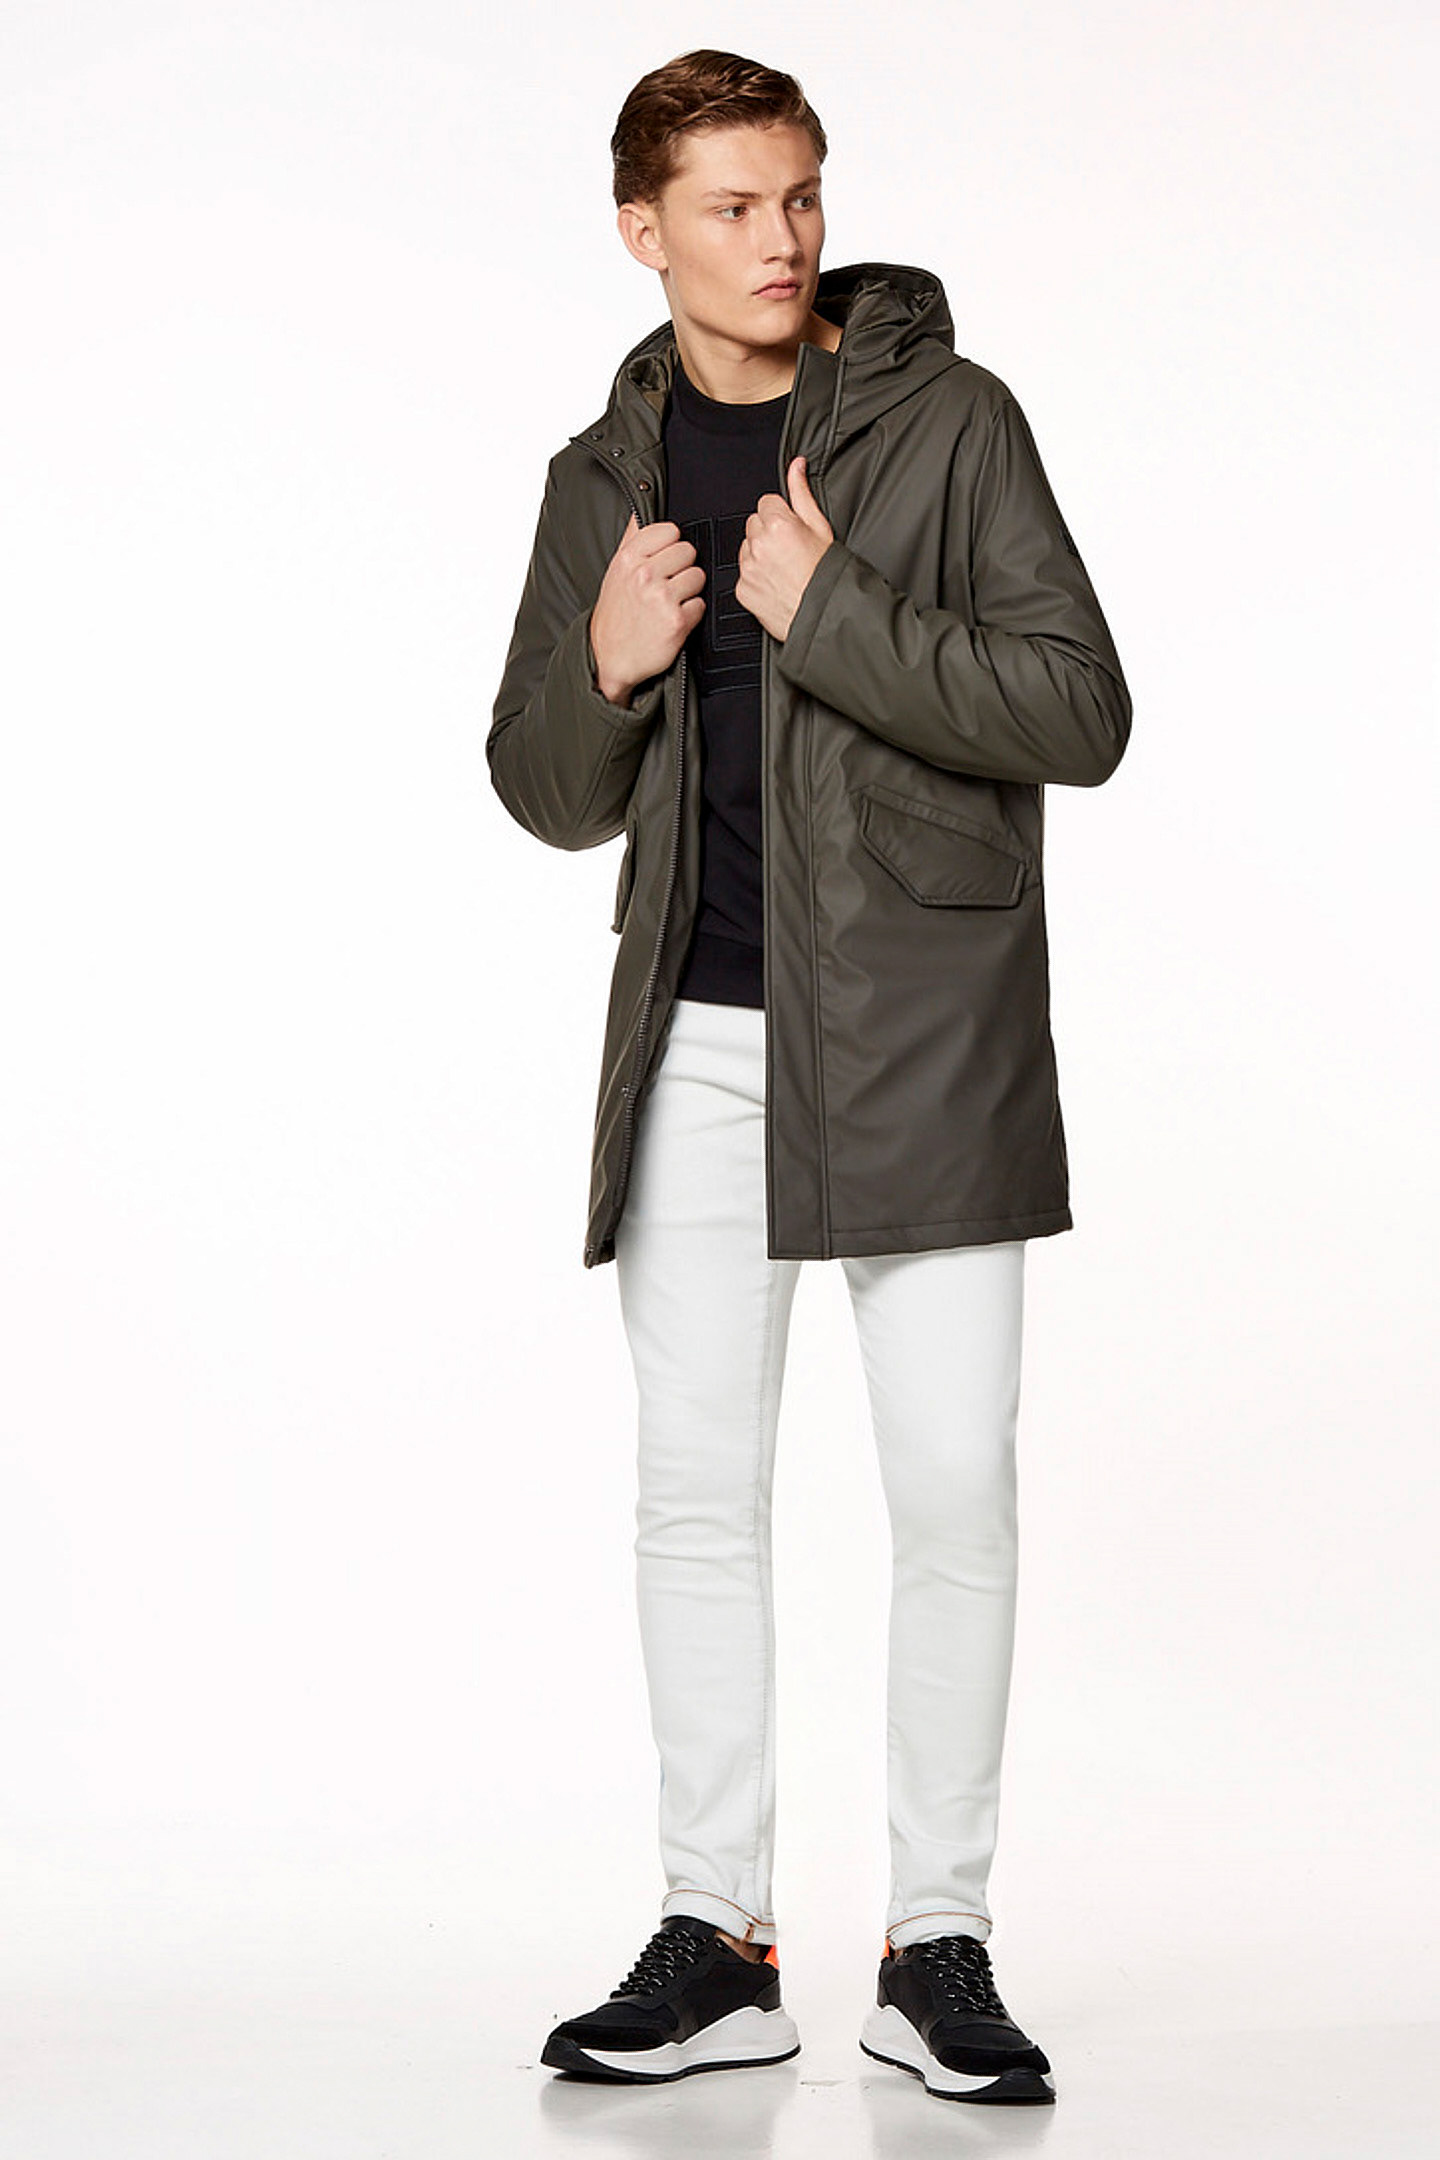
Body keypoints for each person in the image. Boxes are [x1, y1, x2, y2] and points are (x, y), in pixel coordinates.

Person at [487, 48, 1130, 2110]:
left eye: (802, 196)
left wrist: (826, 609)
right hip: (696, 1033)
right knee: (696, 1497)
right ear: (642, 229)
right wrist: (609, 663)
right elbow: (540, 786)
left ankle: (937, 1944)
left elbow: (1082, 708)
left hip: (926, 1038)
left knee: (950, 1491)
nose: (782, 240)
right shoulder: (599, 474)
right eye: (734, 205)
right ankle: (721, 1938)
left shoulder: (952, 423)